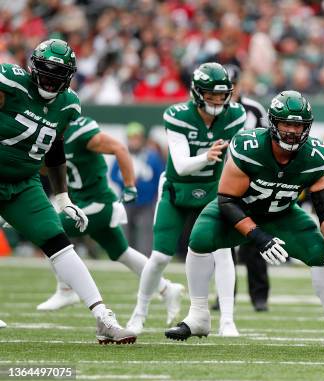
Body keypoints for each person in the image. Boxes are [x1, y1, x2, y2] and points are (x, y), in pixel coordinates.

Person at [165, 90, 324, 352]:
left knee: (322, 255)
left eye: (298, 125)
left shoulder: (315, 155)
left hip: (283, 214)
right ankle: (199, 315)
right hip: (239, 209)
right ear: (273, 123)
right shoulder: (249, 147)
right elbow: (226, 201)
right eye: (286, 124)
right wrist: (258, 237)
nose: (292, 131)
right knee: (200, 238)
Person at [0, 39, 134, 343]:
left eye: (57, 75)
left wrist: (63, 198)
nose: (50, 80)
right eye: (46, 73)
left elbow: (55, 147)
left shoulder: (68, 104)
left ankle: (103, 317)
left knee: (59, 244)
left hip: (23, 183)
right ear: (33, 68)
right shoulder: (10, 83)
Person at [127, 63, 246, 336]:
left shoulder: (236, 115)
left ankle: (227, 320)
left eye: (221, 95)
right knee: (158, 257)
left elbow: (237, 158)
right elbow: (180, 165)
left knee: (223, 252)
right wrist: (207, 156)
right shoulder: (178, 115)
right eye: (211, 95)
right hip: (177, 191)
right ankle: (139, 313)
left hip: (213, 191)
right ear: (197, 93)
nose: (217, 101)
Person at [36, 116, 183, 314]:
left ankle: (66, 289)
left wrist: (130, 185)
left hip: (96, 203)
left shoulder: (79, 131)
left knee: (51, 231)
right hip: (82, 202)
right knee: (123, 253)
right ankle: (166, 288)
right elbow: (46, 169)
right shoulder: (50, 133)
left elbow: (119, 149)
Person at [225, 64, 270, 312]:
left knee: (255, 241)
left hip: (253, 184)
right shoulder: (216, 110)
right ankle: (225, 295)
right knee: (223, 244)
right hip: (225, 181)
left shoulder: (254, 109)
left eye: (231, 86)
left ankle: (259, 296)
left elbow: (267, 140)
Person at [111, 122, 165, 256]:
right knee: (124, 229)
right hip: (127, 200)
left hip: (146, 201)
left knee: (146, 231)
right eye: (131, 138)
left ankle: (145, 257)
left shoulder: (152, 156)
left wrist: (151, 192)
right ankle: (124, 256)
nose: (134, 141)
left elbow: (161, 175)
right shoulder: (122, 155)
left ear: (142, 139)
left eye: (137, 138)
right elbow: (113, 175)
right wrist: (126, 182)